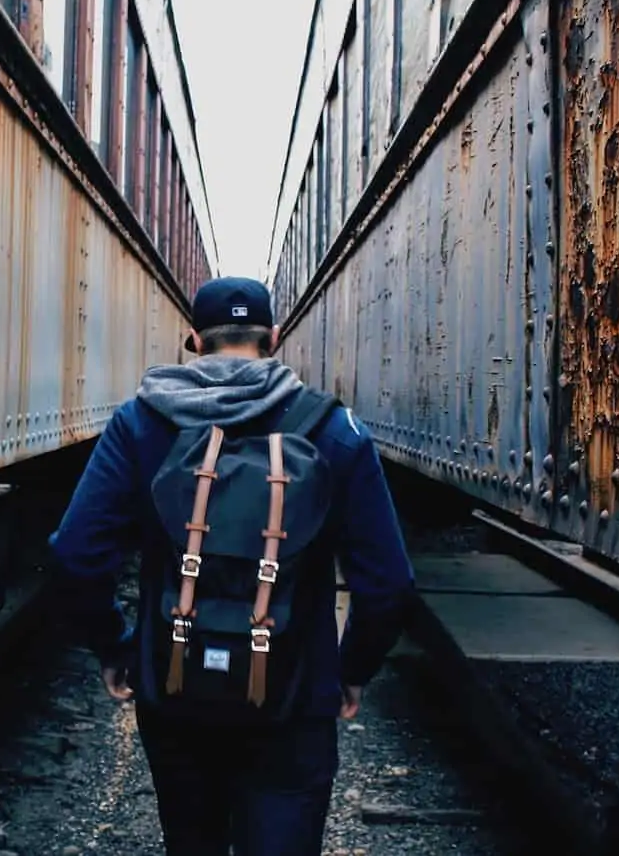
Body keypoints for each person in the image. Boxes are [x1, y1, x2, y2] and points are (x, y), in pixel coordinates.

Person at [47, 276, 415, 855]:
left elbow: (74, 555)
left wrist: (117, 646)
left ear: (193, 340)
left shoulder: (140, 423)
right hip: (294, 702)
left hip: (174, 691)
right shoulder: (335, 430)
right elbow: (389, 583)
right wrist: (350, 670)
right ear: (274, 336)